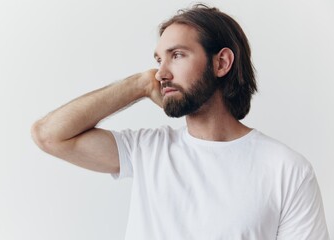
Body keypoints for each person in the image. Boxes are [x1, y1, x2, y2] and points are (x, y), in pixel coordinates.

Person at [31, 4, 330, 240]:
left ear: (221, 63)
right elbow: (48, 135)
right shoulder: (146, 150)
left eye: (177, 55)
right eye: (159, 60)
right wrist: (139, 84)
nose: (161, 73)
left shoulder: (287, 169)